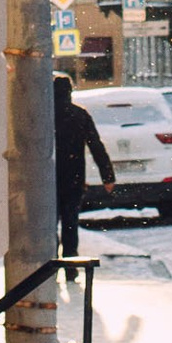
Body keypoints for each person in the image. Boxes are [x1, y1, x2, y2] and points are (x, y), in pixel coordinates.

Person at [52, 65, 115, 259]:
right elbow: (96, 147)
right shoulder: (80, 115)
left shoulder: (44, 116)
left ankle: (50, 267)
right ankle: (71, 266)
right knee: (71, 223)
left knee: (48, 225)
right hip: (73, 178)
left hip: (49, 178)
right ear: (70, 92)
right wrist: (108, 177)